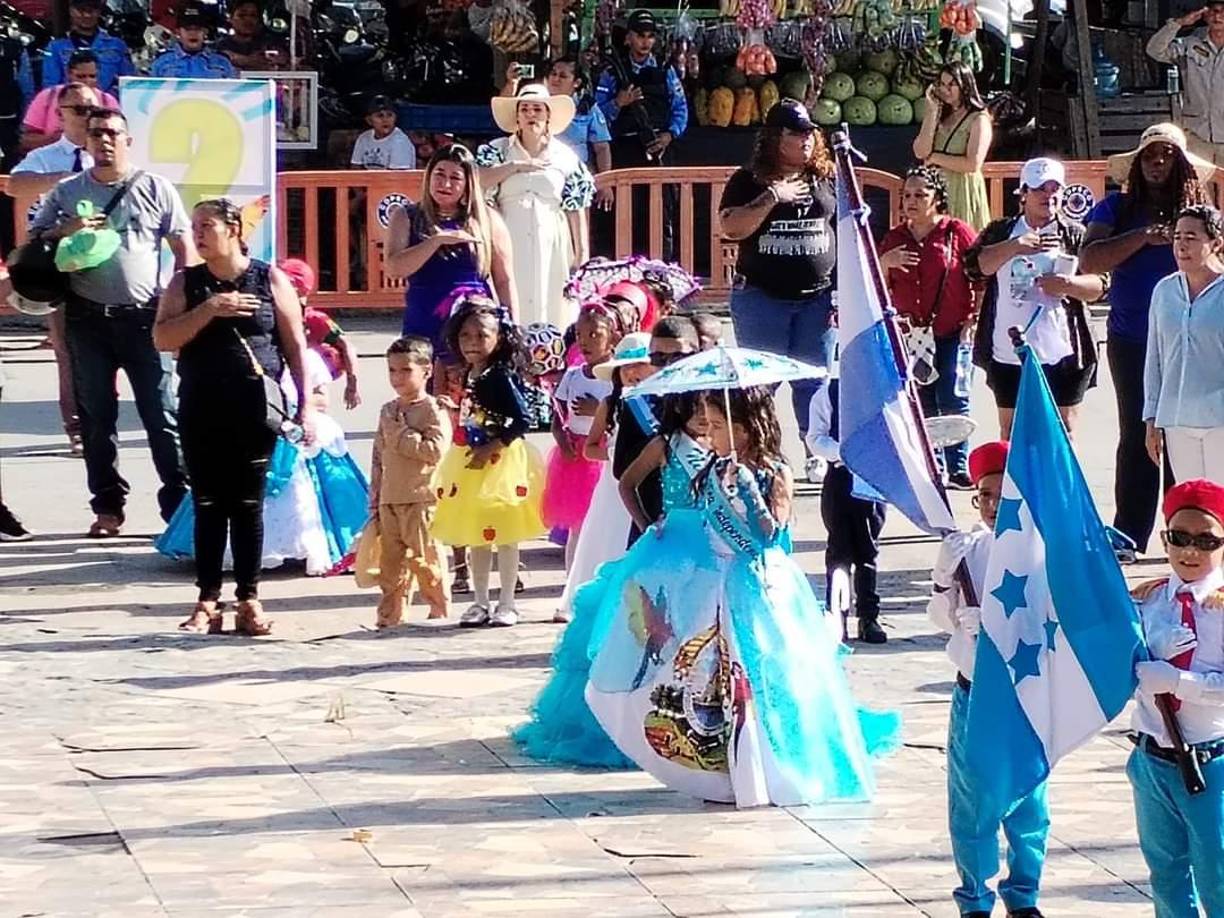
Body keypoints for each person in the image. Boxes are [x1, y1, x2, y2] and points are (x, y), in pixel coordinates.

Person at [585, 385, 899, 806]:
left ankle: (779, 764)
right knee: (712, 676)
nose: (710, 433)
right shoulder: (711, 468)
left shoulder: (775, 470)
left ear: (748, 426)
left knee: (766, 671)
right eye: (709, 425)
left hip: (760, 584)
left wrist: (749, 492)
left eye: (719, 425)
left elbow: (772, 532)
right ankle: (730, 768)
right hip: (716, 583)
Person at [514, 375, 706, 768]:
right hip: (668, 546)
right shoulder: (665, 443)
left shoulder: (726, 449)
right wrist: (650, 522)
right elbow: (627, 482)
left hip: (712, 553)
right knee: (647, 630)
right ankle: (639, 721)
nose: (705, 420)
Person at [28, 108, 193, 537]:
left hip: (144, 319)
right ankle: (107, 508)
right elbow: (35, 242)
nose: (104, 141)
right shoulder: (67, 192)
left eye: (113, 134)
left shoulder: (155, 188)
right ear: (85, 140)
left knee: (162, 416)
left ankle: (179, 510)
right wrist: (67, 228)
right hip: (87, 319)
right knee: (96, 419)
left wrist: (182, 312)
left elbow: (184, 254)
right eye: (96, 133)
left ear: (128, 141)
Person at [152, 198, 313, 637]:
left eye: (207, 225)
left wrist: (305, 406)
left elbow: (295, 345)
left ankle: (248, 598)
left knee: (247, 505)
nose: (198, 234)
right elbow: (162, 338)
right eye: (195, 226)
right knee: (207, 504)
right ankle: (207, 599)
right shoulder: (186, 283)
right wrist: (209, 310)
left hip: (254, 409)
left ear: (235, 229)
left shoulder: (268, 278)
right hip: (202, 406)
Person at [928, 440, 1051, 918]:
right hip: (974, 694)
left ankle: (1024, 897)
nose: (994, 504)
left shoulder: (1042, 549)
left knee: (1029, 802)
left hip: (1025, 694)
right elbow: (941, 618)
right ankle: (975, 899)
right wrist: (943, 581)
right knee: (972, 803)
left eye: (1003, 493)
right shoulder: (968, 549)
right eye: (985, 494)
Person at [1081, 123, 1213, 560]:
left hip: (1192, 344)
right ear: (1137, 164)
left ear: (1182, 164)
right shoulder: (1116, 207)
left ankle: (1188, 531)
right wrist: (1143, 237)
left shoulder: (1201, 213)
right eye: (1150, 156)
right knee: (1136, 433)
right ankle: (1130, 533)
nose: (1157, 164)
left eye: (1167, 155)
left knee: (1183, 436)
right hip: (1131, 337)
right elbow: (1090, 258)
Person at [718, 99, 836, 481]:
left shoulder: (826, 176)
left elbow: (845, 229)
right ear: (774, 138)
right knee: (760, 380)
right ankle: (760, 452)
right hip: (762, 297)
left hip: (816, 299)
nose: (804, 141)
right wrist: (772, 197)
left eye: (809, 134)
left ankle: (815, 449)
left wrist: (841, 293)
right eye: (795, 134)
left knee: (814, 380)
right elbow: (730, 227)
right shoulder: (748, 178)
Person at [1127, 478, 1224, 918]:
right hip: (1153, 760)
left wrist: (1179, 681)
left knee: (1218, 877)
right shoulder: (1147, 602)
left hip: (1211, 761)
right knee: (1165, 876)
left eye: (1206, 540)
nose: (1191, 551)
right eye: (1179, 538)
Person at [964, 156, 1105, 440]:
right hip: (1008, 352)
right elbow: (974, 268)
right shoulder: (1001, 231)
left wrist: (1068, 284)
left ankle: (1062, 486)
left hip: (1064, 352)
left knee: (1064, 432)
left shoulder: (1075, 234)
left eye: (1055, 188)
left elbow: (1101, 284)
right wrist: (1015, 247)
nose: (1048, 195)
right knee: (1012, 433)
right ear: (1024, 193)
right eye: (1040, 188)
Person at [431, 295, 544, 628]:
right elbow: (478, 412)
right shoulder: (472, 373)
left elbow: (523, 419)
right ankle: (480, 601)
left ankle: (507, 602)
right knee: (476, 534)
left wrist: (493, 445)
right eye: (465, 336)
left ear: (499, 337)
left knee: (505, 535)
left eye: (481, 335)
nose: (472, 343)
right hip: (471, 462)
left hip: (501, 464)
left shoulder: (498, 375)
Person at [8, 81, 99, 456]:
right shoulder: (48, 157)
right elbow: (15, 184)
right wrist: (65, 183)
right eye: (77, 109)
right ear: (60, 115)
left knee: (105, 349)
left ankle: (99, 424)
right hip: (59, 266)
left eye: (91, 108)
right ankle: (77, 428)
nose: (86, 115)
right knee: (67, 349)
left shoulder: (110, 154)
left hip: (105, 267)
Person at [879, 165, 979, 487]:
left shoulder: (956, 232)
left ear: (937, 199)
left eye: (920, 195)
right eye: (907, 195)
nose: (912, 201)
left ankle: (958, 464)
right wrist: (885, 263)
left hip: (951, 329)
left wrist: (974, 317)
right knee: (921, 398)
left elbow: (980, 276)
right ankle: (931, 463)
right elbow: (873, 285)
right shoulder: (894, 238)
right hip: (910, 334)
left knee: (953, 395)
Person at [553, 331, 652, 624]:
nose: (633, 373)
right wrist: (614, 452)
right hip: (613, 486)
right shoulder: (611, 404)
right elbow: (590, 449)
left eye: (641, 365)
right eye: (627, 367)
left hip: (648, 485)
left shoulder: (664, 405)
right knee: (607, 539)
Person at [478, 83, 594, 328]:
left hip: (552, 235)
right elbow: (479, 184)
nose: (531, 115)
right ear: (517, 116)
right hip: (509, 231)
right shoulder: (497, 151)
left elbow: (576, 207)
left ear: (548, 116)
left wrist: (582, 254)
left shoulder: (566, 157)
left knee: (553, 298)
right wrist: (515, 167)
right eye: (525, 109)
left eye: (538, 109)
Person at [384, 144, 516, 357]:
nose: (445, 184)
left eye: (455, 178)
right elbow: (394, 268)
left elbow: (504, 280)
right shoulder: (406, 215)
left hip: (473, 323)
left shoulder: (486, 219)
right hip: (424, 316)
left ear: (467, 184)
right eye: (439, 174)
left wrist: (511, 325)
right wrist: (435, 241)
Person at [542, 298, 634, 574]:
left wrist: (598, 412)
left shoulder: (616, 376)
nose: (586, 341)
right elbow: (558, 419)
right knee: (577, 526)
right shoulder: (572, 375)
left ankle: (602, 574)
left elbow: (622, 413)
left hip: (603, 455)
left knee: (603, 522)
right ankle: (572, 581)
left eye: (594, 334)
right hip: (575, 458)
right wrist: (563, 442)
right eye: (580, 335)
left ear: (613, 336)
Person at [370, 336, 452, 627]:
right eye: (392, 371)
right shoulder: (388, 410)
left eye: (406, 371)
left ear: (426, 371)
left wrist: (403, 434)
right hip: (390, 497)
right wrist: (375, 494)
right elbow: (379, 455)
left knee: (426, 560)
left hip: (421, 496)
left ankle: (438, 611)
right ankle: (390, 616)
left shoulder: (433, 410)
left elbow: (435, 451)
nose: (397, 378)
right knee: (390, 565)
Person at [594, 9, 687, 259]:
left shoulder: (666, 71)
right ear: (628, 38)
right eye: (640, 35)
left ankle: (661, 268)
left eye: (650, 36)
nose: (645, 42)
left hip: (659, 149)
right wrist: (618, 103)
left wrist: (669, 134)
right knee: (625, 214)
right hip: (624, 152)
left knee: (660, 213)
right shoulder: (612, 72)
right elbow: (596, 115)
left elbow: (680, 108)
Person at [1144, 204, 1224, 484]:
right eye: (1177, 237)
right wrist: (1152, 417)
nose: (1181, 245)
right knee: (1192, 506)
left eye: (1191, 238)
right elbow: (1154, 359)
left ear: (1216, 243)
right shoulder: (1164, 290)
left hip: (1220, 421)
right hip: (1177, 419)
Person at [807, 374, 888, 644]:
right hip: (840, 478)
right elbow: (815, 438)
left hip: (873, 478)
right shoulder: (828, 393)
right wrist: (844, 451)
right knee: (839, 550)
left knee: (867, 549)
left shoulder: (882, 388)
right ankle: (836, 616)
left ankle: (869, 616)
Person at [615, 315, 698, 545]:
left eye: (678, 356)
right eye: (659, 357)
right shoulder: (638, 403)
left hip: (711, 525)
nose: (669, 365)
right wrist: (646, 527)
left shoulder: (712, 402)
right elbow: (622, 471)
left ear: (697, 354)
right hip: (658, 519)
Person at [504, 57, 614, 211]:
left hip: (576, 178)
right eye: (553, 74)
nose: (555, 79)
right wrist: (511, 83)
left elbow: (601, 147)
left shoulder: (587, 107)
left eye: (563, 76)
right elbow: (507, 114)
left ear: (577, 82)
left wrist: (605, 183)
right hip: (537, 173)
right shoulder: (536, 101)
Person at [912, 62, 992, 231]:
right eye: (941, 84)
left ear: (965, 85)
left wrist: (935, 158)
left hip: (962, 190)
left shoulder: (979, 119)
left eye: (952, 84)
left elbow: (972, 164)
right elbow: (920, 152)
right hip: (938, 190)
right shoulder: (941, 115)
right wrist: (932, 112)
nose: (945, 89)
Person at [1146, 0, 1224, 166]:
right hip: (1198, 136)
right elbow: (1154, 50)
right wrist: (1178, 24)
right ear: (1204, 12)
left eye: (1223, 11)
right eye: (1213, 10)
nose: (1218, 16)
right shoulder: (1190, 44)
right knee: (1199, 189)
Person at [277, 258, 361, 409]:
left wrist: (351, 384)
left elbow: (346, 346)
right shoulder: (268, 314)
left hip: (309, 370)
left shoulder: (314, 319)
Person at [20, 51, 117, 153]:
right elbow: (25, 141)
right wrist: (61, 139)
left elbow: (117, 138)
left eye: (92, 76)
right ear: (69, 74)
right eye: (81, 76)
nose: (87, 81)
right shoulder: (47, 97)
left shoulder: (108, 101)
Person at [41, 0, 135, 95]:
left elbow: (129, 84)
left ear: (99, 12)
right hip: (70, 105)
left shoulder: (117, 45)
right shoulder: (55, 47)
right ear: (71, 10)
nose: (87, 15)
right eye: (81, 10)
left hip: (109, 105)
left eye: (92, 10)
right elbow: (51, 88)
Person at [149, 5, 240, 79]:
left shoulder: (222, 62)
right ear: (178, 32)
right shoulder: (162, 62)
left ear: (205, 32)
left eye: (198, 29)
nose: (193, 33)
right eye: (188, 29)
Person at [216, 0, 287, 72]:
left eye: (253, 15)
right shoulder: (219, 46)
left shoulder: (270, 44)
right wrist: (248, 60)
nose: (248, 20)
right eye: (242, 15)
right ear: (230, 19)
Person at [350, 96, 417, 170]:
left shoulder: (400, 142)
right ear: (369, 120)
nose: (385, 120)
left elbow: (397, 176)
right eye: (380, 116)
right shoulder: (364, 138)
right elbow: (355, 167)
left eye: (389, 115)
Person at [0, 29, 36, 160]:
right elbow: (27, 89)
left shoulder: (14, 47)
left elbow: (26, 89)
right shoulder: (14, 46)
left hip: (7, 116)